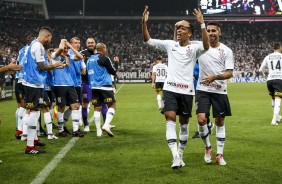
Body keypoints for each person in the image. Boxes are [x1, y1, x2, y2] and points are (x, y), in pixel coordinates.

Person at [142, 6, 209, 169]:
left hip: (186, 91)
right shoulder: (169, 44)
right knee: (170, 119)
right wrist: (143, 24)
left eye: (183, 28)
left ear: (190, 33)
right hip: (170, 90)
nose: (179, 30)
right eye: (177, 28)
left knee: (184, 125)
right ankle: (175, 156)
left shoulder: (195, 47)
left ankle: (181, 154)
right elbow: (148, 40)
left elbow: (207, 46)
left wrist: (202, 24)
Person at [196, 21, 234, 166]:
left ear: (219, 33)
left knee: (220, 122)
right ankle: (207, 148)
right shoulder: (200, 47)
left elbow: (229, 73)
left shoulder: (227, 51)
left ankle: (219, 154)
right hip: (203, 89)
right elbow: (180, 43)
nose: (211, 33)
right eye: (209, 30)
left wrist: (215, 77)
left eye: (213, 31)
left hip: (220, 90)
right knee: (201, 120)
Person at [23, 26, 64, 154]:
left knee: (35, 111)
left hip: (32, 82)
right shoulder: (38, 46)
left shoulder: (32, 45)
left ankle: (34, 140)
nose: (50, 40)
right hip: (34, 83)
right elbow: (41, 66)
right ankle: (30, 146)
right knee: (34, 113)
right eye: (50, 37)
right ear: (46, 36)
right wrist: (54, 65)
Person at [51, 39, 84, 137]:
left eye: (66, 48)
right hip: (59, 85)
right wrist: (63, 42)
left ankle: (75, 130)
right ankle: (61, 130)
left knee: (75, 106)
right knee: (61, 107)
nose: (65, 49)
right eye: (64, 48)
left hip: (70, 84)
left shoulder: (69, 56)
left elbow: (80, 56)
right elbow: (60, 48)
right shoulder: (55, 56)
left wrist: (70, 45)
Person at [87, 42, 117, 137]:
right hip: (104, 86)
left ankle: (98, 131)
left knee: (97, 108)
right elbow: (113, 71)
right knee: (112, 105)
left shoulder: (89, 59)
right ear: (103, 49)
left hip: (93, 87)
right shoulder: (104, 58)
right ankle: (106, 125)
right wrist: (116, 63)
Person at [259, 42, 282, 126]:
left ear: (273, 48)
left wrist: (266, 76)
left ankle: (277, 117)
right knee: (278, 99)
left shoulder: (268, 57)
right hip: (279, 79)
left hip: (270, 80)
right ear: (280, 48)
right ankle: (274, 120)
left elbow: (260, 70)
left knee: (273, 99)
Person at [192, 61, 214, 139]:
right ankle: (209, 125)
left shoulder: (199, 64)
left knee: (200, 111)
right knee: (203, 111)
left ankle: (201, 130)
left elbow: (201, 76)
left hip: (201, 89)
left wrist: (192, 76)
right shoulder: (194, 63)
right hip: (194, 89)